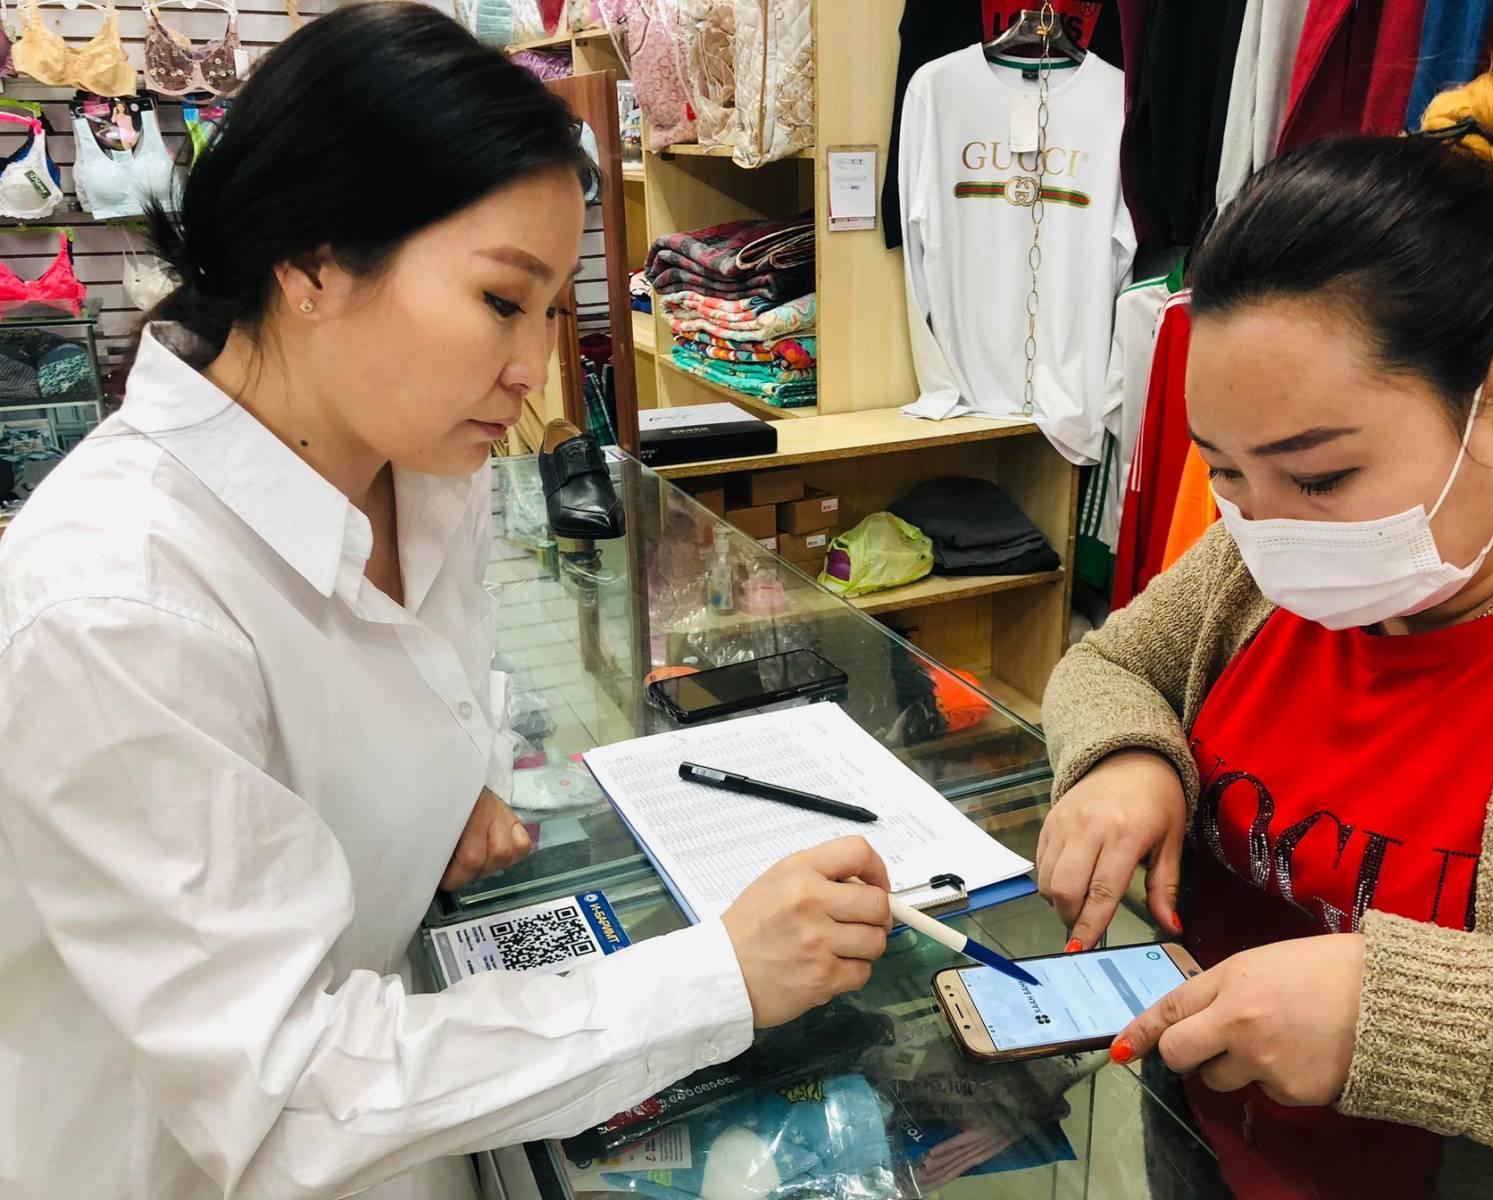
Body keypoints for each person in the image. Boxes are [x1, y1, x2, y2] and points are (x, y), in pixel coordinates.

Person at [0, 6, 892, 1198]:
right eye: (500, 301)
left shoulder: (419, 468)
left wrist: (444, 785)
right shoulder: (120, 603)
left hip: (411, 1099)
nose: (534, 368)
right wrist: (714, 977)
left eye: (551, 310)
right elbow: (284, 1098)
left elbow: (415, 688)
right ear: (311, 265)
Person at [1037, 64, 1493, 1198]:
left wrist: (1404, 1021)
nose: (1265, 531)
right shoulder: (1260, 555)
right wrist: (1126, 756)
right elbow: (1113, 663)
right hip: (1205, 1143)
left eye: (1321, 475)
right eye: (1224, 474)